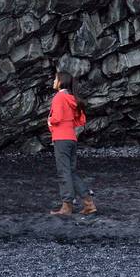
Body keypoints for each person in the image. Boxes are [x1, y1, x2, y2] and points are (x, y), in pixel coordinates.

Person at [47, 71, 96, 216]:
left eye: (55, 79)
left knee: (63, 172)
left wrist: (50, 121)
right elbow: (80, 120)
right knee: (71, 171)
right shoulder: (72, 98)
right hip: (71, 138)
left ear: (60, 82)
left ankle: (67, 206)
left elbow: (56, 118)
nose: (53, 81)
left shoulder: (59, 97)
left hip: (61, 139)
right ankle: (89, 204)